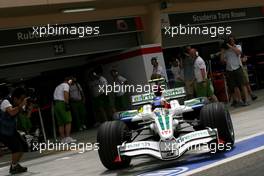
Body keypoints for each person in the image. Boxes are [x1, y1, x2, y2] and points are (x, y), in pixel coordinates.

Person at [0, 87, 29, 174]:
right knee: (16, 148)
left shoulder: (17, 103)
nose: (22, 101)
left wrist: (28, 107)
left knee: (24, 146)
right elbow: (12, 112)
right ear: (15, 98)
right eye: (21, 99)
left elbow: (26, 115)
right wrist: (21, 106)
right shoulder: (6, 101)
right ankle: (14, 167)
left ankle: (14, 166)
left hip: (10, 130)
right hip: (2, 131)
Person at [220, 36, 250, 106]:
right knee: (235, 86)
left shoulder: (238, 46)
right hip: (229, 69)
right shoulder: (226, 50)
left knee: (242, 84)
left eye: (232, 40)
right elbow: (222, 60)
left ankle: (247, 99)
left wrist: (229, 46)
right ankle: (240, 100)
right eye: (229, 40)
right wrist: (222, 52)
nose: (231, 41)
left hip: (238, 67)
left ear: (234, 40)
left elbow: (238, 52)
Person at [53, 77, 76, 143]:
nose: (71, 83)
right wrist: (67, 104)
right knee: (68, 120)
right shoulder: (66, 85)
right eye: (71, 81)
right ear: (68, 80)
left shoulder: (57, 86)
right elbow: (65, 94)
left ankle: (63, 139)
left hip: (56, 105)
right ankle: (68, 138)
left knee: (61, 123)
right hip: (62, 103)